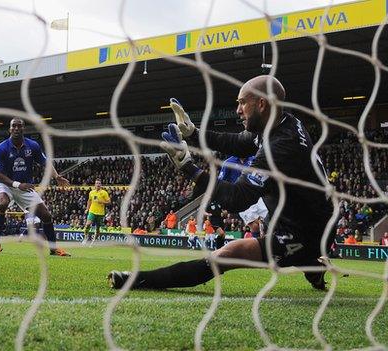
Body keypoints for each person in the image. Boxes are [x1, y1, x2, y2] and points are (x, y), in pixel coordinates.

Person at [108, 75, 333, 290]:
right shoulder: (279, 123)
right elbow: (237, 143)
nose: (238, 110)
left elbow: (237, 198)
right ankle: (313, 266)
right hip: (293, 216)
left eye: (243, 103)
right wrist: (194, 133)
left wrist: (188, 168)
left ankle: (137, 279)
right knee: (287, 251)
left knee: (227, 254)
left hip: (310, 231)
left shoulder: (282, 146)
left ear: (262, 104)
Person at [0, 118, 71, 256]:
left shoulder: (32, 145)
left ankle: (53, 248)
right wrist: (17, 184)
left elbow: (46, 162)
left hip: (25, 187)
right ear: (9, 130)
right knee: (2, 203)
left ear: (23, 129)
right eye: (13, 126)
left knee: (46, 215)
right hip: (5, 184)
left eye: (19, 126)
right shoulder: (1, 148)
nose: (16, 128)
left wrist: (57, 176)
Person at [82, 179, 111, 245]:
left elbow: (109, 202)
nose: (98, 184)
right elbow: (89, 201)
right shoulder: (91, 192)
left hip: (100, 213)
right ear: (95, 185)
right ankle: (85, 237)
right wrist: (87, 209)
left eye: (99, 183)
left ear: (101, 185)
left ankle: (93, 241)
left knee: (97, 229)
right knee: (88, 224)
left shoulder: (104, 193)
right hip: (92, 211)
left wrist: (102, 202)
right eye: (97, 183)